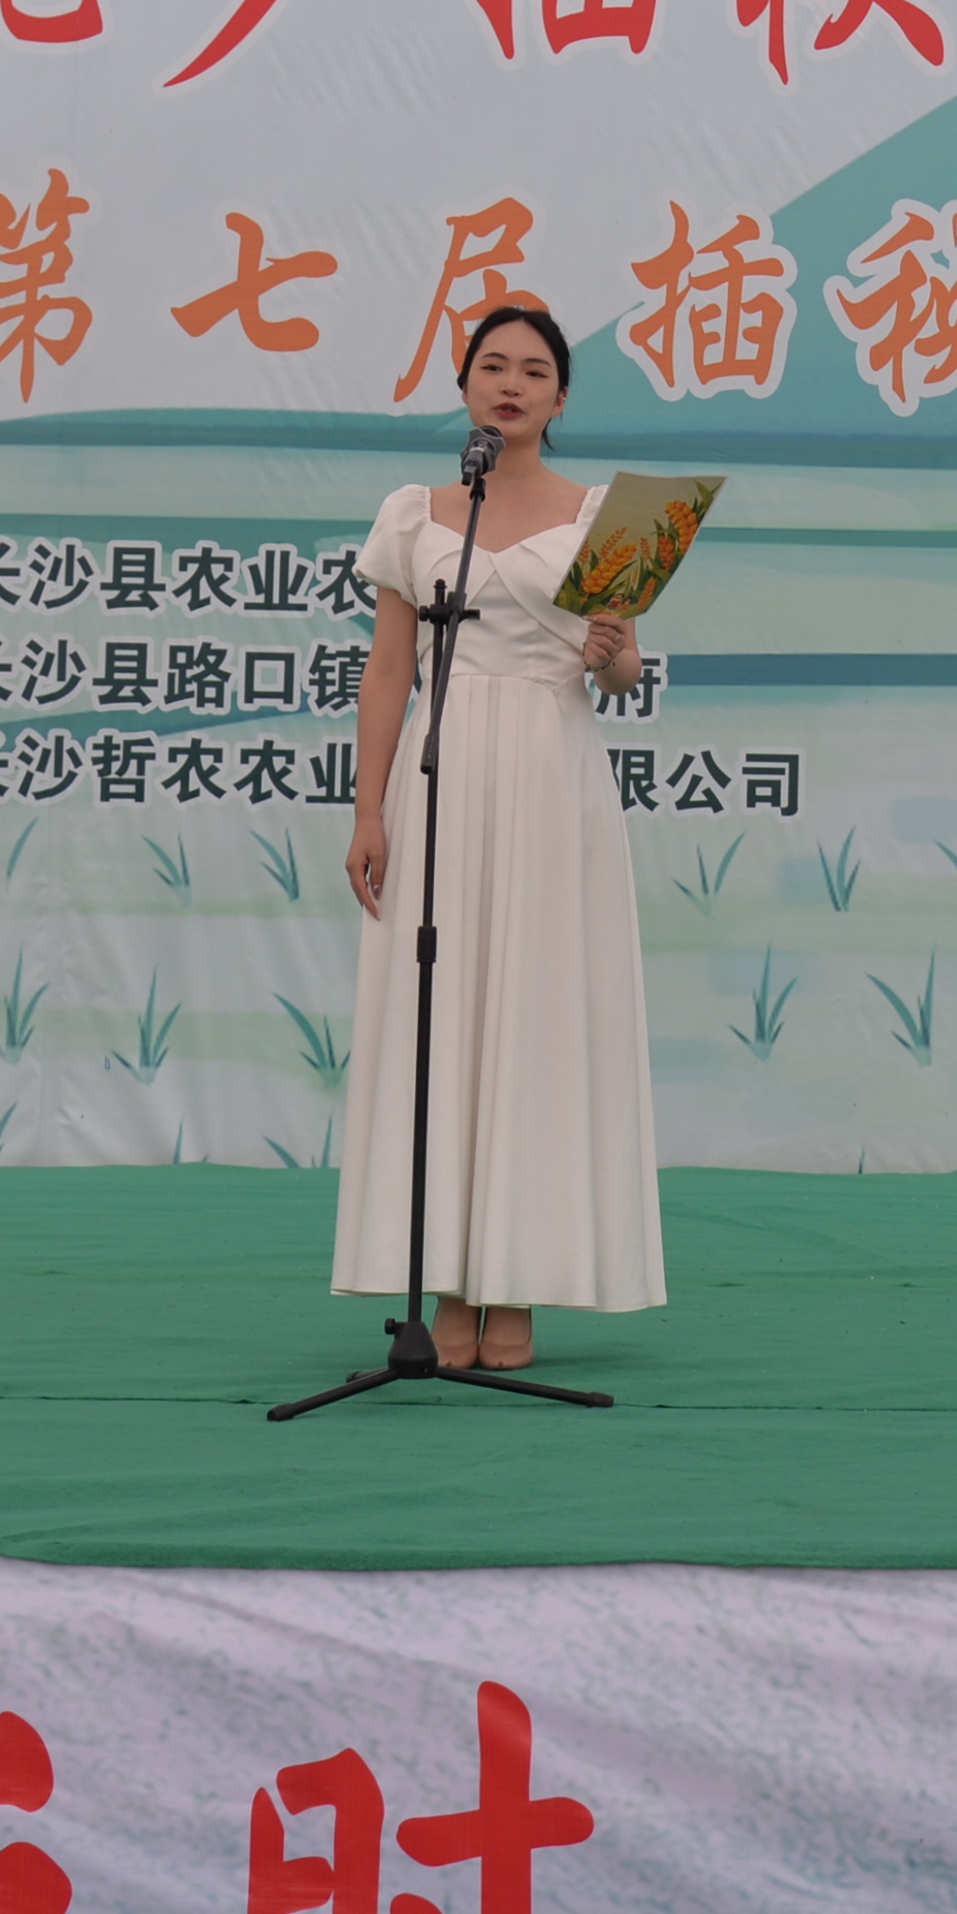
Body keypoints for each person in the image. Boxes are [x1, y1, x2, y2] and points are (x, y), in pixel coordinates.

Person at [336, 303, 664, 1369]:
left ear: (561, 396)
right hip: (443, 778)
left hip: (550, 776)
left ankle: (517, 1279)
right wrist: (370, 807)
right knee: (444, 1018)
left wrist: (613, 654)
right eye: (492, 366)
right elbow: (390, 668)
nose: (510, 384)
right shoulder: (417, 514)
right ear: (466, 383)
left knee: (535, 1018)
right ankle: (447, 1282)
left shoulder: (606, 516)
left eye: (533, 370)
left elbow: (622, 673)